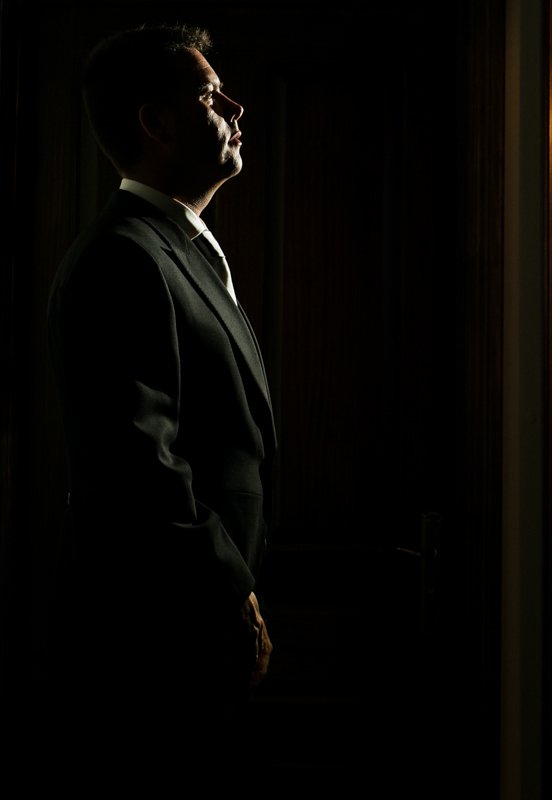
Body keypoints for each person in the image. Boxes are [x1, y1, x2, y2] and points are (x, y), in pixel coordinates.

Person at [46, 24, 273, 775]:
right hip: (168, 642)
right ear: (156, 122)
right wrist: (231, 592)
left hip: (197, 638)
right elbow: (139, 462)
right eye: (211, 95)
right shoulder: (123, 258)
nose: (235, 108)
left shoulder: (179, 246)